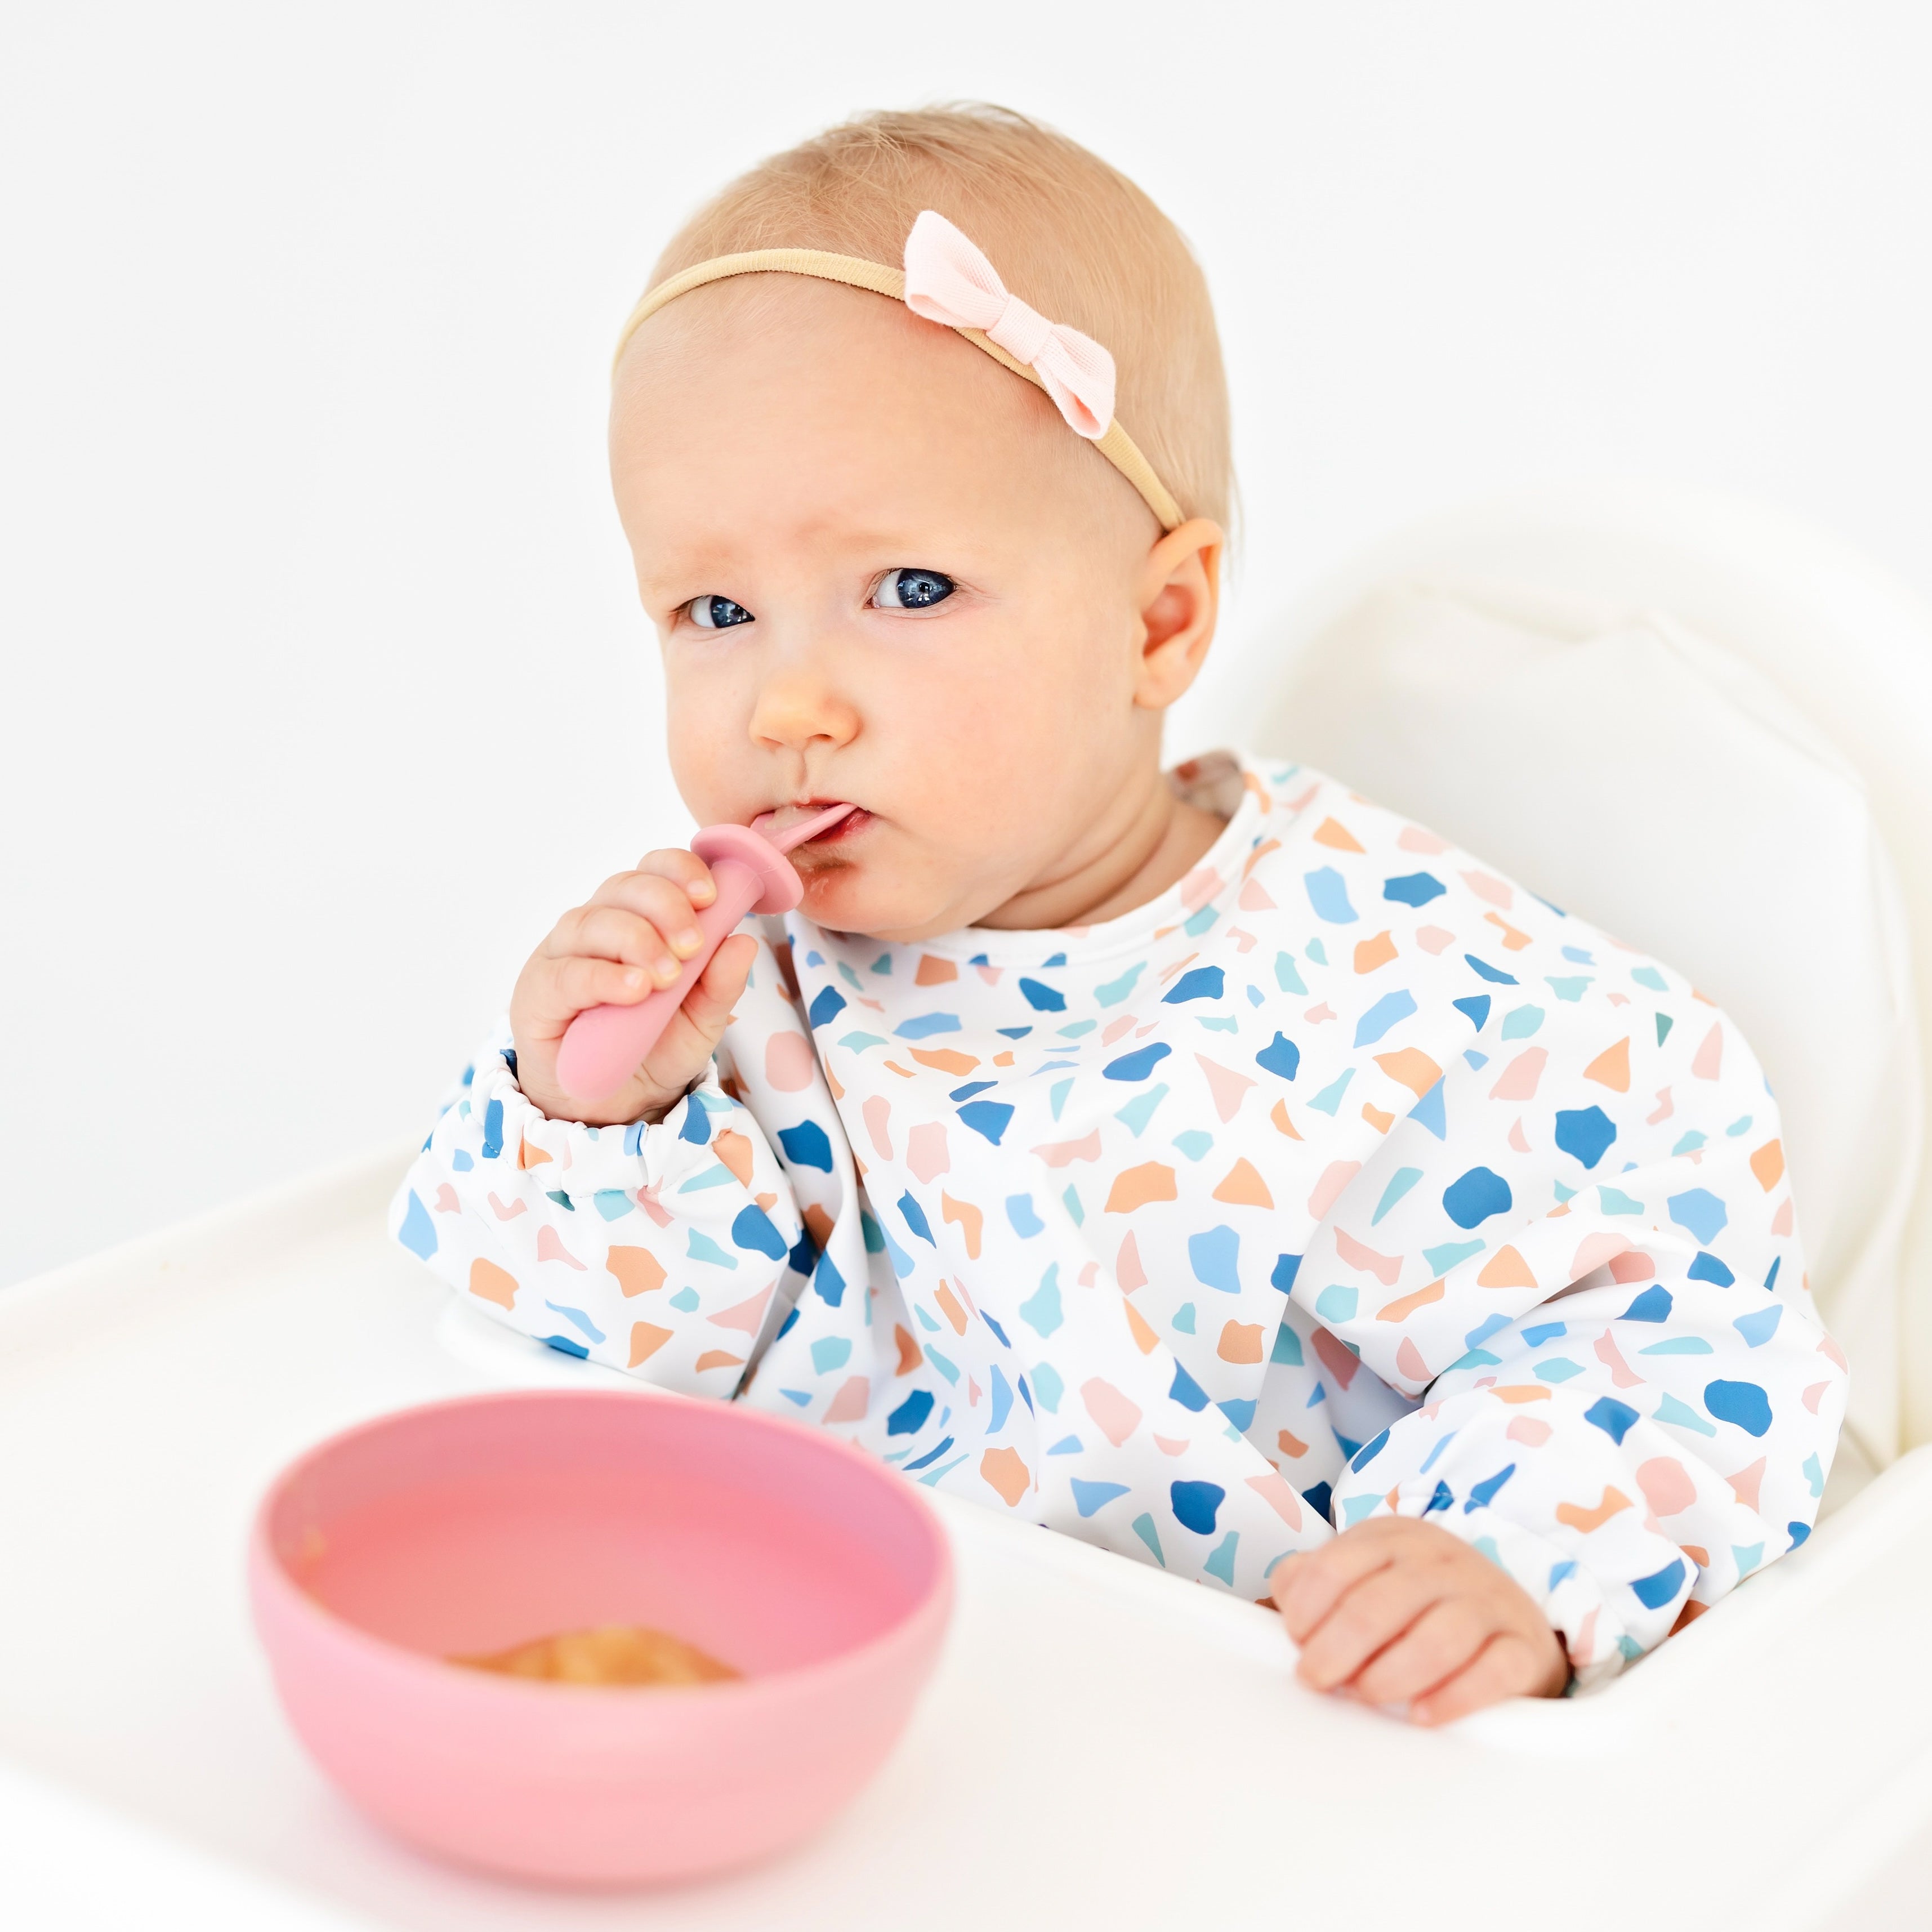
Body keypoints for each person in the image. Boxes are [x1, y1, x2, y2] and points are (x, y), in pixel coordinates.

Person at [392, 104, 1845, 1722]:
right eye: (714, 610)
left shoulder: (1415, 997)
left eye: (910, 590)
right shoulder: (740, 1008)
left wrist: (1506, 1561)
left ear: (1158, 620)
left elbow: (1666, 1344)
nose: (787, 700)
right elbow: (606, 1385)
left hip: (1250, 1758)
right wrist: (597, 1122)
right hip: (843, 1719)